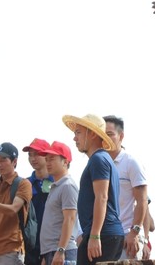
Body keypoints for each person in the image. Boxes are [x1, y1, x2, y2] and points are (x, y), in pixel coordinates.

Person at [62, 113, 124, 265]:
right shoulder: (103, 159)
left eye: (78, 132)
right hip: (106, 234)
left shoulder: (98, 159)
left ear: (92, 134)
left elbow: (102, 197)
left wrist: (95, 235)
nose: (74, 138)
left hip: (103, 235)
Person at [103, 115, 148, 260]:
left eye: (110, 134)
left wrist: (134, 233)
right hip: (107, 237)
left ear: (121, 136)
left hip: (127, 238)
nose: (106, 139)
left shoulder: (131, 163)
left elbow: (142, 201)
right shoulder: (100, 164)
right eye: (102, 135)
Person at [39, 141, 79, 265]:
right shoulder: (56, 186)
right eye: (46, 159)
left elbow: (70, 219)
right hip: (51, 251)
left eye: (52, 159)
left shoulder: (68, 186)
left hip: (63, 252)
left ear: (65, 162)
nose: (48, 163)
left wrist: (61, 250)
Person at [22, 138, 54, 265]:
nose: (33, 158)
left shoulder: (58, 182)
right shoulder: (25, 184)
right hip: (30, 245)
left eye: (37, 154)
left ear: (47, 155)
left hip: (52, 244)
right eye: (30, 155)